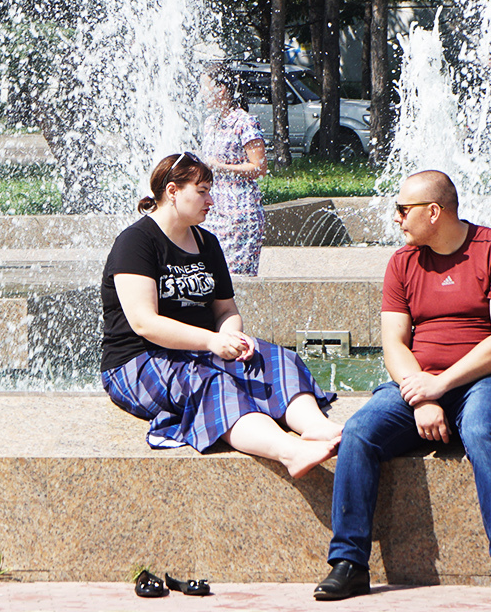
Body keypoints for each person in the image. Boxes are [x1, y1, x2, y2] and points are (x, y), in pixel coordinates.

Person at [316, 170, 491, 605]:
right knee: (358, 432)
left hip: (482, 379)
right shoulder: (402, 261)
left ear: (433, 212)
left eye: (403, 209)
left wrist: (440, 386)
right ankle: (349, 564)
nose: (396, 218)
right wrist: (420, 394)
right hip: (419, 380)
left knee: (480, 431)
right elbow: (394, 343)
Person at [100, 152, 343, 477]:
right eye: (201, 191)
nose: (210, 200)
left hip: (197, 349)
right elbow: (145, 322)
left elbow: (226, 309)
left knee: (272, 359)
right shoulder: (136, 242)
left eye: (209, 190)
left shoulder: (207, 242)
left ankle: (319, 428)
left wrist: (232, 336)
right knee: (210, 383)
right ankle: (290, 451)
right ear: (173, 191)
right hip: (138, 360)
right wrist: (213, 342)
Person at [199, 67, 269, 274]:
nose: (201, 92)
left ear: (220, 89)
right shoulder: (211, 123)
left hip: (239, 213)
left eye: (205, 86)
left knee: (234, 279)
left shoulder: (244, 122)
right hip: (212, 212)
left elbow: (259, 167)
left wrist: (220, 167)